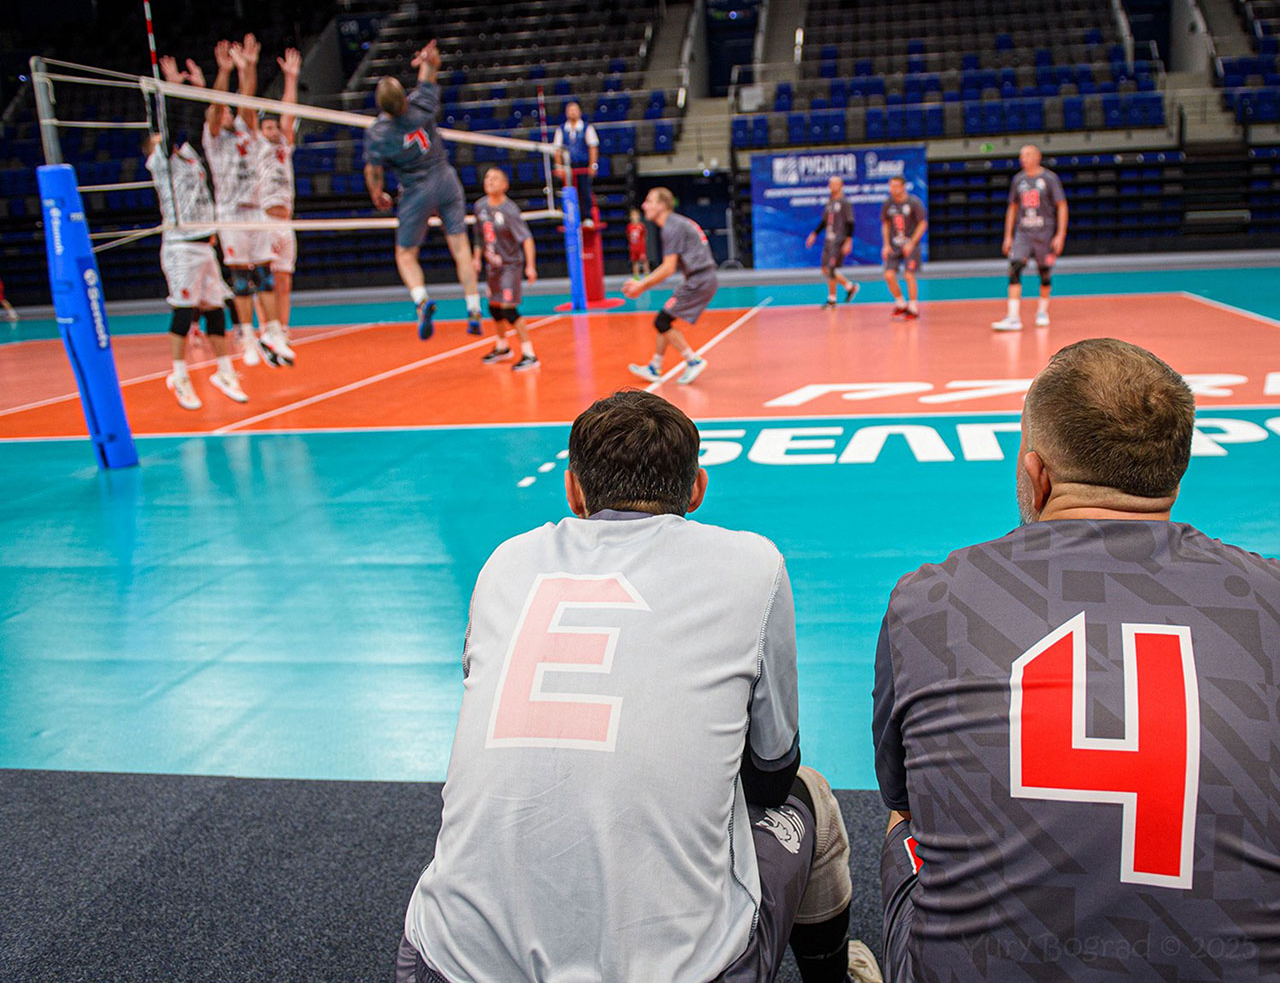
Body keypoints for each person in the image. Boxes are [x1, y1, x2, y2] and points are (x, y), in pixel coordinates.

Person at [394, 389, 870, 983]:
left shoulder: (506, 561)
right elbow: (772, 772)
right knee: (809, 797)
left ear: (574, 490)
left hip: (443, 962)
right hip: (682, 970)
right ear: (696, 489)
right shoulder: (753, 563)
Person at [873, 338, 1280, 982]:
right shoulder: (1268, 593)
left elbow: (902, 793)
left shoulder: (931, 597)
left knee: (905, 821)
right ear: (1174, 475)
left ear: (1037, 475)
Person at [364, 39, 484, 341]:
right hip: (445, 179)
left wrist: (377, 193)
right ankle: (473, 308)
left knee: (405, 253)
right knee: (460, 247)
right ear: (403, 96)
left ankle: (421, 301)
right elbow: (431, 70)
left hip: (416, 188)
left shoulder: (379, 132)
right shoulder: (421, 104)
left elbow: (373, 170)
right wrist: (429, 59)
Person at [147, 58, 247, 410]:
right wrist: (171, 89)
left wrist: (196, 88)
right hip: (180, 246)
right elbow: (171, 123)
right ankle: (180, 375)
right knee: (183, 310)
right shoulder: (161, 161)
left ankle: (224, 371)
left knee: (216, 311)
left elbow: (196, 122)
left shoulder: (189, 156)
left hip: (205, 245)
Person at [203, 35, 278, 367]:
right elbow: (217, 106)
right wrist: (224, 71)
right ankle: (247, 335)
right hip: (231, 213)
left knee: (265, 276)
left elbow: (247, 99)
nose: (227, 114)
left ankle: (272, 332)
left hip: (256, 210)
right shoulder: (214, 137)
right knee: (240, 280)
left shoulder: (246, 129)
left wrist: (249, 67)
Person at [623, 187, 716, 385]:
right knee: (664, 319)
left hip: (699, 279)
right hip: (700, 278)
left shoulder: (671, 227)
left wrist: (641, 285)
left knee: (662, 321)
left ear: (661, 205)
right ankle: (655, 366)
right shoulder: (675, 223)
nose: (644, 205)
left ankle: (693, 360)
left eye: (649, 201)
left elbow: (668, 268)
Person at [252, 46, 302, 366]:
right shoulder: (257, 148)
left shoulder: (284, 145)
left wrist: (291, 78)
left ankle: (282, 330)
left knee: (284, 280)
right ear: (260, 132)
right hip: (264, 219)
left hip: (286, 221)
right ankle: (264, 330)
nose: (273, 131)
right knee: (266, 279)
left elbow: (289, 113)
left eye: (275, 127)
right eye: (267, 128)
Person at [992, 143, 1067, 331]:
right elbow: (1013, 207)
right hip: (1023, 232)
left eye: (1026, 155)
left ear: (1037, 157)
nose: (1022, 159)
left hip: (1044, 232)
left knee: (1044, 272)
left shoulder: (1049, 178)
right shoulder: (1018, 180)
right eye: (1021, 155)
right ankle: (1013, 317)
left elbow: (1062, 205)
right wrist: (1008, 235)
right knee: (1015, 267)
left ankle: (1042, 311)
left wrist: (1060, 234)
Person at [472, 166, 539, 371]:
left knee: (509, 309)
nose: (489, 181)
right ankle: (503, 347)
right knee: (494, 308)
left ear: (505, 185)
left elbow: (527, 239)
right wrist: (476, 259)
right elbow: (478, 236)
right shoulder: (480, 206)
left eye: (495, 178)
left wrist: (530, 267)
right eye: (487, 177)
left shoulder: (510, 210)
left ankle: (530, 354)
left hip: (510, 266)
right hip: (492, 267)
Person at [805, 176, 858, 309]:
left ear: (841, 185)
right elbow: (824, 221)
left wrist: (848, 241)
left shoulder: (845, 202)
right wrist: (814, 234)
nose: (832, 186)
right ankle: (849, 286)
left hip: (839, 239)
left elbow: (850, 222)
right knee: (825, 269)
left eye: (835, 184)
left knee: (831, 268)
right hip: (828, 239)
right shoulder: (830, 202)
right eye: (830, 184)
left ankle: (832, 299)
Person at [879, 176, 927, 321]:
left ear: (903, 187)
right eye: (891, 186)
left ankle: (913, 307)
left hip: (910, 245)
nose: (892, 189)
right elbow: (886, 224)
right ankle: (900, 304)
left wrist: (911, 243)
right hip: (894, 245)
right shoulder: (888, 204)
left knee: (908, 275)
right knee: (888, 275)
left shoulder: (913, 202)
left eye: (896, 186)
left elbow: (922, 224)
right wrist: (886, 245)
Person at [552, 99, 599, 225]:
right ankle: (568, 215)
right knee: (567, 191)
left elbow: (593, 147)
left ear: (579, 112)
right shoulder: (561, 129)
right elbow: (557, 150)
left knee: (584, 191)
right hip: (568, 166)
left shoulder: (587, 128)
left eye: (574, 110)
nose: (572, 112)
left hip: (583, 165)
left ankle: (587, 217)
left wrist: (593, 165)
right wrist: (559, 166)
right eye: (570, 110)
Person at [626, 207, 649, 278]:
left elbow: (644, 236)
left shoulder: (641, 226)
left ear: (639, 216)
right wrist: (631, 245)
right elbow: (628, 236)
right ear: (630, 217)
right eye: (633, 215)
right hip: (633, 247)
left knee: (644, 260)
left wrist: (643, 245)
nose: (634, 217)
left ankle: (647, 274)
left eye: (636, 215)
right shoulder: (629, 226)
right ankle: (636, 275)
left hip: (641, 247)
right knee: (634, 261)